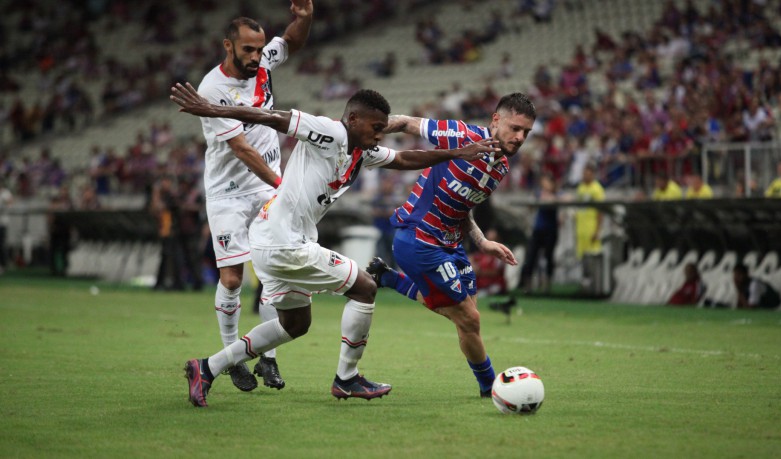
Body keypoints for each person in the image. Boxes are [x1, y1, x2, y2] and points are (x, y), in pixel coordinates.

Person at [170, 83, 500, 407]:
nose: (379, 135)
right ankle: (347, 379)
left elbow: (403, 158)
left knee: (295, 325)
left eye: (383, 129)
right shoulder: (328, 131)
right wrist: (210, 110)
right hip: (285, 244)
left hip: (274, 239)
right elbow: (271, 116)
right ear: (353, 119)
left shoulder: (362, 151)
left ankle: (207, 368)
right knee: (365, 287)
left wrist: (458, 152)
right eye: (375, 127)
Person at [365, 93, 536, 397]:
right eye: (515, 128)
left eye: (526, 132)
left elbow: (463, 208)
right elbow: (406, 122)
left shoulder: (500, 168)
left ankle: (390, 279)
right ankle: (493, 389)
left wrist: (482, 241)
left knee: (469, 318)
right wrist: (363, 131)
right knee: (468, 318)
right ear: (496, 120)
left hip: (450, 244)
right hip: (418, 237)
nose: (520, 137)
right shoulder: (463, 135)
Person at [194, 1, 313, 392]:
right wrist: (284, 187)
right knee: (231, 279)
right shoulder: (212, 89)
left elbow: (291, 42)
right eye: (248, 49)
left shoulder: (262, 65)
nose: (256, 56)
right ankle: (230, 358)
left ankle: (269, 359)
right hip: (228, 192)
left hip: (265, 188)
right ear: (227, 46)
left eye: (260, 49)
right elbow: (243, 150)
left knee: (273, 274)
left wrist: (304, 18)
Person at [517, 173, 560, 294]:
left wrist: (552, 198)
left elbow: (567, 198)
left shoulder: (556, 194)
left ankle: (547, 285)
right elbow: (530, 205)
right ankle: (528, 285)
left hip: (550, 230)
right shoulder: (538, 193)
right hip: (538, 230)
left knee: (548, 258)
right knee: (531, 257)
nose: (545, 184)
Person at [575, 164, 605, 259]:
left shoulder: (597, 189)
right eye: (584, 174)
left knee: (592, 258)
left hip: (591, 228)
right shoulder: (580, 188)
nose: (585, 176)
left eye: (587, 174)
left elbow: (600, 211)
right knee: (581, 258)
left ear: (593, 174)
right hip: (580, 229)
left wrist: (597, 231)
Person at [0, 179, 12, 275]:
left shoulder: (6, 193)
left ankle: (3, 265)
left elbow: (10, 203)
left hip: (2, 222)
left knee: (2, 244)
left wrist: (5, 202)